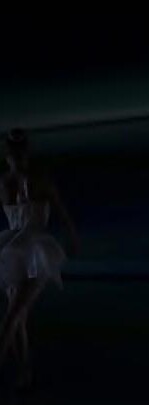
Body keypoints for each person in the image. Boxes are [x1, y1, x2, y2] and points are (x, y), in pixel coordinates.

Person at [0, 129, 79, 385]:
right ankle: (24, 374)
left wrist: (72, 236)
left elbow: (61, 211)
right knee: (16, 316)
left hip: (31, 249)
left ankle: (23, 372)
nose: (16, 158)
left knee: (15, 314)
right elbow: (59, 213)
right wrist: (72, 237)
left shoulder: (35, 180)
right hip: (16, 248)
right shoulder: (10, 182)